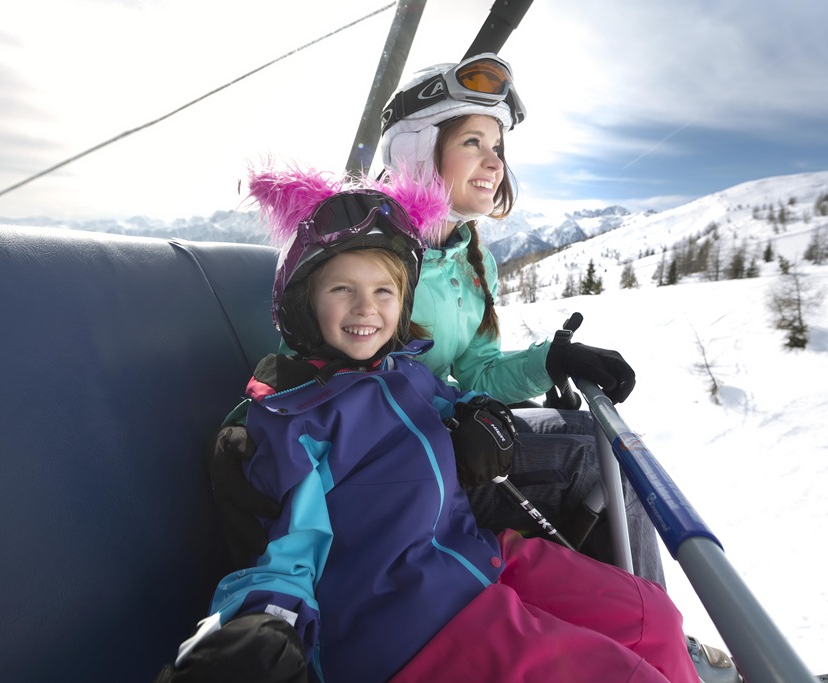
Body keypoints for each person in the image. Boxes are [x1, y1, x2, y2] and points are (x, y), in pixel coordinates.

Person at [156, 166, 700, 683]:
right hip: (411, 623)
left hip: (476, 556)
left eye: (384, 291)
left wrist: (477, 417)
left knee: (654, 617)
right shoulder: (294, 418)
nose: (365, 308)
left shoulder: (404, 373)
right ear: (303, 305)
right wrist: (264, 622)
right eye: (342, 289)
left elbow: (454, 400)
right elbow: (285, 550)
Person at [209, 53, 667, 586]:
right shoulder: (358, 248)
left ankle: (635, 612)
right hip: (382, 462)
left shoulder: (473, 260)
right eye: (472, 142)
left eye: (497, 147)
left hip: (440, 435)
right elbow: (317, 364)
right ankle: (653, 622)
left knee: (596, 446)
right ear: (419, 151)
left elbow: (478, 372)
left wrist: (550, 361)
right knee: (594, 453)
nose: (494, 163)